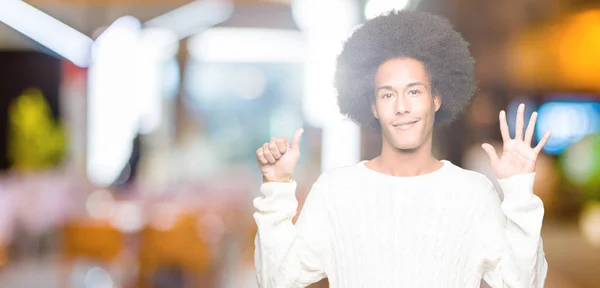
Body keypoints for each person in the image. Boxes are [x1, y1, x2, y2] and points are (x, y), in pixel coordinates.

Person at [253, 11, 551, 288]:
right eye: (387, 94)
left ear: (436, 99)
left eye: (413, 91)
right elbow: (277, 280)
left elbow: (522, 282)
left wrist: (519, 192)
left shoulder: (473, 193)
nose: (401, 107)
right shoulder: (335, 191)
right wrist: (276, 186)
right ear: (373, 106)